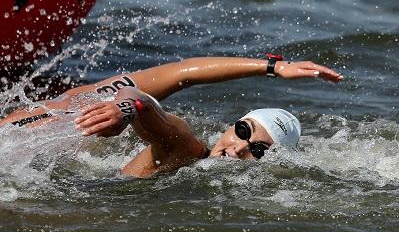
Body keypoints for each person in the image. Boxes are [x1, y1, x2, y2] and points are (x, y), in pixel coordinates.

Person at [0, 56, 343, 177]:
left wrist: (128, 108)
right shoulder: (189, 149)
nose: (240, 147)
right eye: (243, 130)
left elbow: (161, 91)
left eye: (258, 150)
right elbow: (154, 91)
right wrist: (274, 66)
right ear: (231, 124)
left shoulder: (186, 150)